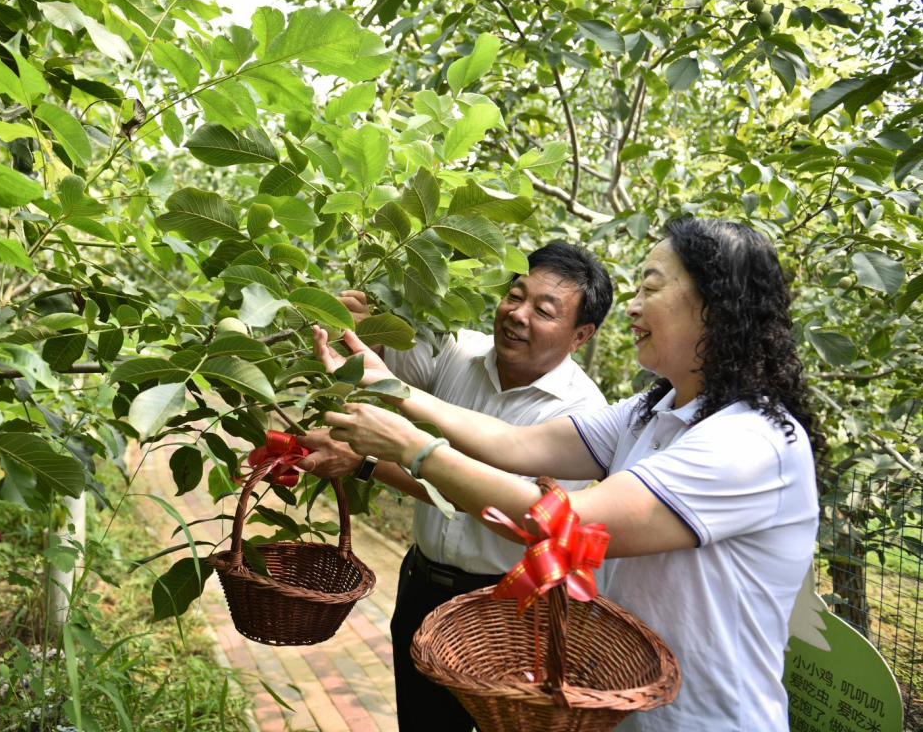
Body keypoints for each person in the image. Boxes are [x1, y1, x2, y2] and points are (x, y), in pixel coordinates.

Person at [312, 217, 823, 732]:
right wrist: (386, 384)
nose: (634, 306)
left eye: (651, 287)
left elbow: (568, 524)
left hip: (702, 719)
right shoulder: (650, 412)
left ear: (714, 307)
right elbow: (514, 443)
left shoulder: (750, 442)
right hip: (620, 708)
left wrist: (414, 449)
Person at [296, 241, 614, 732]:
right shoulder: (457, 351)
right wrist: (361, 328)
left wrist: (367, 463)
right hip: (423, 587)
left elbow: (500, 510)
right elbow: (381, 366)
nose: (517, 315)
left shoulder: (584, 418)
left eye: (543, 310)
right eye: (515, 295)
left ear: (581, 335)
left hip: (508, 611)